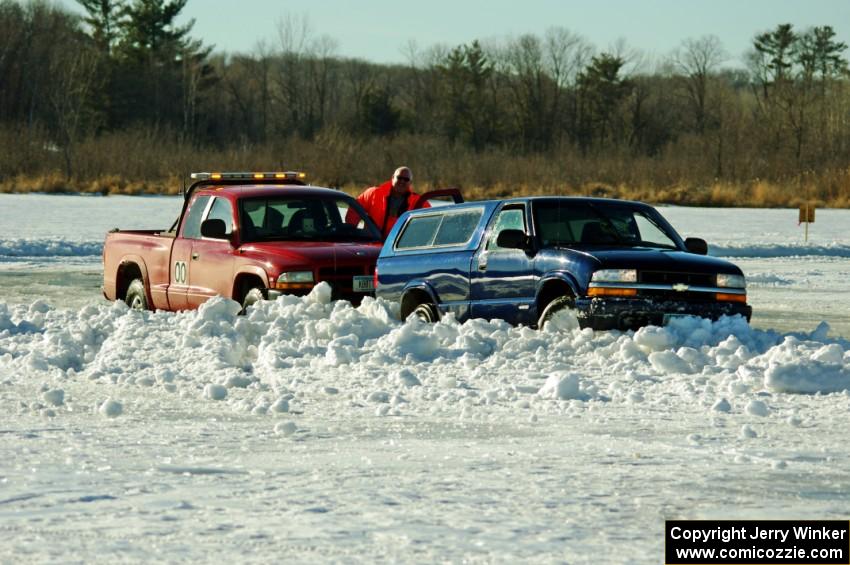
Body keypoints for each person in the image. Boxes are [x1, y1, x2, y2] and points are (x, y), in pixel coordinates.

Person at [354, 166, 428, 239]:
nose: (402, 181)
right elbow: (353, 211)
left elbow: (433, 221)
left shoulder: (418, 201)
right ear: (392, 178)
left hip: (399, 248)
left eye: (406, 179)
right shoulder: (373, 193)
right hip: (371, 244)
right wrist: (353, 234)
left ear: (410, 182)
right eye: (399, 178)